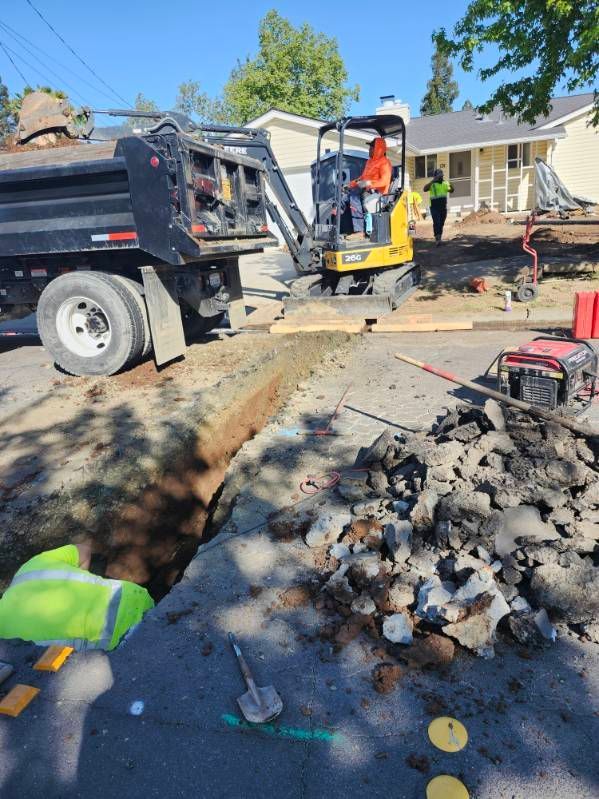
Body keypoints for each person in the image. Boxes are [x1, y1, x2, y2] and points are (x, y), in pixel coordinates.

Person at [0, 542, 154, 651]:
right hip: (136, 596)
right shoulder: (28, 568)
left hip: (119, 640)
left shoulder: (5, 638)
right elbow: (84, 549)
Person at [345, 137, 392, 236]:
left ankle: (361, 230)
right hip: (368, 194)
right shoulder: (369, 162)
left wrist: (369, 183)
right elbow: (362, 178)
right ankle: (346, 228)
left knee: (354, 199)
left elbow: (384, 181)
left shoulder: (385, 163)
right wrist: (349, 185)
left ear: (378, 149)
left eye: (371, 148)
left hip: (380, 196)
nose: (369, 150)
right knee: (346, 198)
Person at [424, 169, 454, 245]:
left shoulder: (445, 183)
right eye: (438, 176)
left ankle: (439, 237)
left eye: (441, 176)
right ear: (435, 177)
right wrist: (432, 181)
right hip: (434, 207)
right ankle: (437, 239)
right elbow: (425, 189)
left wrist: (449, 184)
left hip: (443, 207)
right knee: (437, 222)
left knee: (441, 223)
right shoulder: (432, 184)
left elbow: (452, 190)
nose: (440, 177)